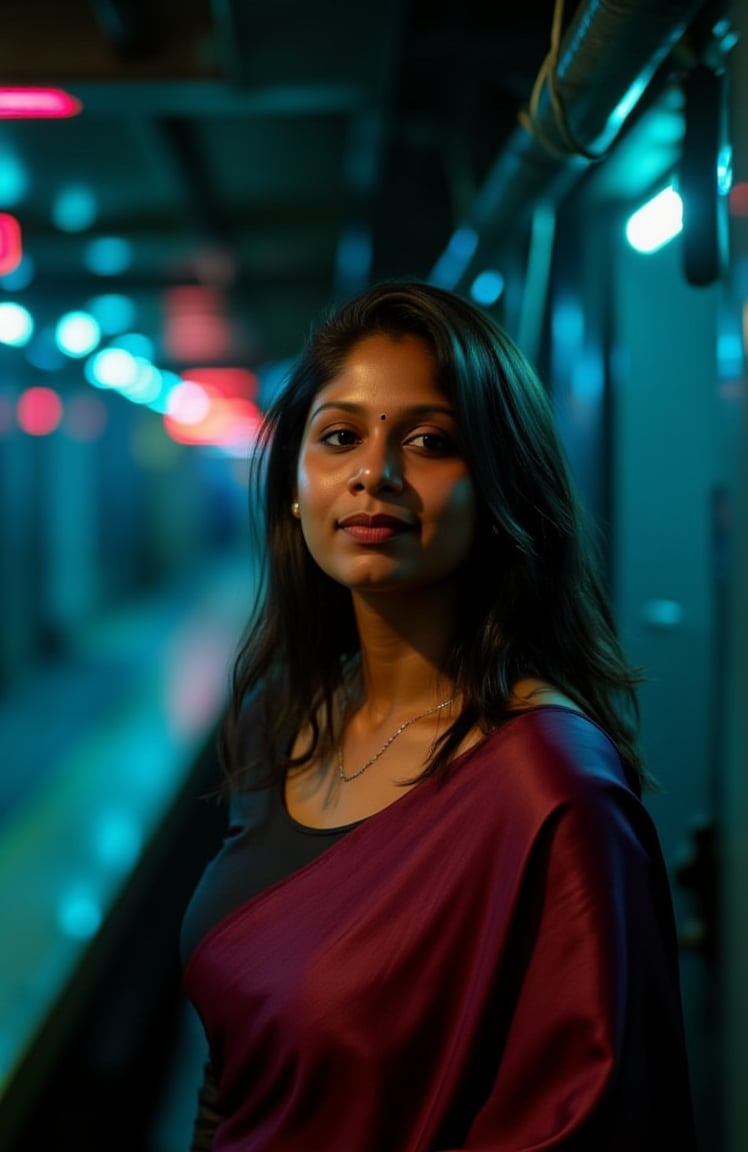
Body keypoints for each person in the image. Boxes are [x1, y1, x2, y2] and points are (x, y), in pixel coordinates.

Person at [180, 279, 698, 1151]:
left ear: (501, 491)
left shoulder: (548, 790)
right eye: (340, 436)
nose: (374, 473)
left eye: (429, 441)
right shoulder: (283, 718)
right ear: (296, 488)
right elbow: (237, 1074)